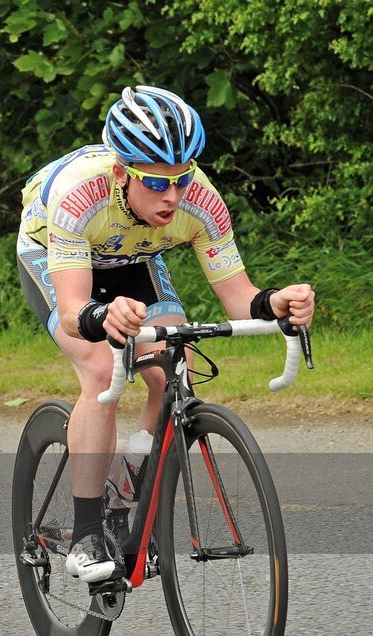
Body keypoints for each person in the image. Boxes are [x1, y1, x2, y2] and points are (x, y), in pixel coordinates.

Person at [16, 85, 314, 582]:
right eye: (156, 184)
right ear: (121, 173)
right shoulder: (79, 197)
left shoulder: (201, 202)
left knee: (175, 360)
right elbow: (72, 310)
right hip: (56, 253)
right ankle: (87, 533)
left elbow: (239, 296)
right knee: (98, 367)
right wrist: (102, 319)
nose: (173, 196)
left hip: (134, 257)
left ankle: (133, 473)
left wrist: (274, 303)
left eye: (181, 179)